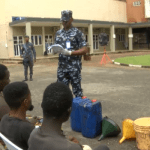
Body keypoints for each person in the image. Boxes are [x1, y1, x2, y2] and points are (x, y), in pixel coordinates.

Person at [28, 82, 109, 150]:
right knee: (103, 148)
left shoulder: (33, 135)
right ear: (68, 113)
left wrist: (64, 139)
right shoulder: (71, 148)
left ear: (42, 105)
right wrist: (78, 146)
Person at [52, 10, 89, 98]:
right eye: (63, 21)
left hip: (74, 68)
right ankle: (65, 111)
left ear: (71, 19)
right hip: (62, 67)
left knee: (77, 91)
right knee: (62, 92)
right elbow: (55, 46)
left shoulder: (77, 33)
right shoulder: (58, 33)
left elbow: (85, 49)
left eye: (66, 21)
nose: (64, 23)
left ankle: (78, 110)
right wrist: (53, 50)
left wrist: (70, 53)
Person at [0, 82, 36, 150]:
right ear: (25, 102)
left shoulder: (4, 119)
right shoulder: (27, 128)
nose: (31, 99)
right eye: (30, 96)